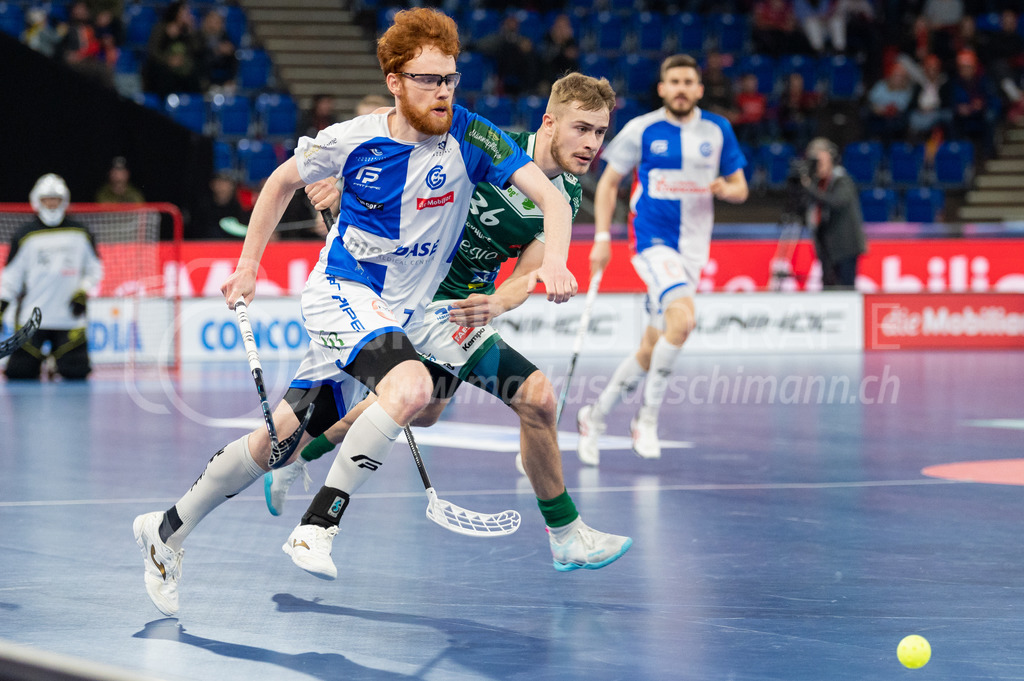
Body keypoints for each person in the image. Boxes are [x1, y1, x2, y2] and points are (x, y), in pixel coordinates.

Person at [132, 7, 577, 618]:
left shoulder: (473, 137)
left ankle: (165, 531)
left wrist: (553, 261)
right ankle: (318, 525)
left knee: (277, 444)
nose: (443, 91)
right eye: (428, 80)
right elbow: (279, 184)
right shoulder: (353, 138)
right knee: (413, 383)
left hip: (407, 311)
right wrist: (247, 266)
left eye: (450, 78)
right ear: (395, 80)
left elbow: (553, 199)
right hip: (343, 291)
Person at [264, 72, 632, 574]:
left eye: (600, 133)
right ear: (549, 122)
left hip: (463, 309)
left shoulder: (564, 196)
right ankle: (566, 533)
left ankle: (299, 460)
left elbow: (528, 274)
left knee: (423, 410)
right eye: (581, 129)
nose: (592, 144)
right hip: (409, 296)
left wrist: (500, 302)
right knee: (537, 397)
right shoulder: (489, 150)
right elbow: (401, 169)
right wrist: (341, 182)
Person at [575, 54, 749, 467]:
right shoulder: (643, 129)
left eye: (689, 81)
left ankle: (593, 417)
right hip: (652, 242)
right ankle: (646, 419)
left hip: (693, 249)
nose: (682, 88)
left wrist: (724, 187)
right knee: (684, 320)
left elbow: (741, 188)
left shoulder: (718, 129)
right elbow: (608, 183)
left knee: (652, 347)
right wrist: (602, 237)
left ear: (700, 89)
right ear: (662, 88)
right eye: (674, 81)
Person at [0, 174, 103, 381]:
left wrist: (83, 291)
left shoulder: (81, 233)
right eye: (47, 199)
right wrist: (2, 305)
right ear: (37, 201)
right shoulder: (25, 235)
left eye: (55, 199)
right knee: (19, 373)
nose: (51, 204)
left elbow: (95, 270)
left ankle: (58, 363)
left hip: (70, 319)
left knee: (76, 372)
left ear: (64, 201)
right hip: (31, 319)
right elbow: (11, 277)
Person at [799, 137, 866, 289]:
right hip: (826, 246)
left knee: (846, 290)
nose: (817, 161)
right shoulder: (816, 182)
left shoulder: (842, 180)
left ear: (830, 157)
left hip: (845, 247)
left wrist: (809, 188)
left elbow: (837, 201)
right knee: (828, 289)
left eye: (820, 155)